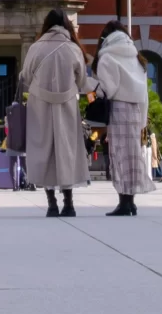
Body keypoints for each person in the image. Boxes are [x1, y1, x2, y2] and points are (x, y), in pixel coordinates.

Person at [20, 12, 89, 217]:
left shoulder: (36, 47)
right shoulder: (73, 49)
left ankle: (51, 203)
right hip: (67, 105)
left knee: (43, 150)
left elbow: (26, 77)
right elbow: (83, 82)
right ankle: (69, 202)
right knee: (66, 150)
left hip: (39, 104)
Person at [94, 22, 151, 217]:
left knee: (119, 155)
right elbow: (145, 93)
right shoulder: (137, 58)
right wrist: (143, 119)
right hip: (136, 110)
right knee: (133, 156)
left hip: (118, 108)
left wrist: (94, 89)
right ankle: (131, 201)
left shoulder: (108, 57)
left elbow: (107, 89)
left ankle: (123, 201)